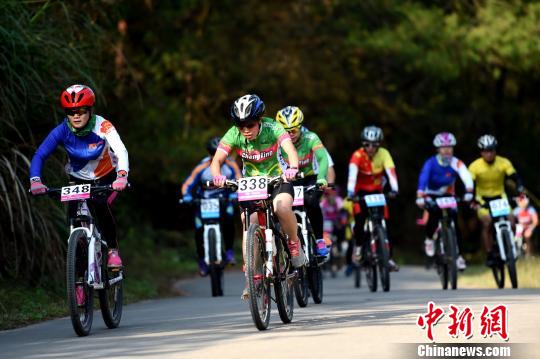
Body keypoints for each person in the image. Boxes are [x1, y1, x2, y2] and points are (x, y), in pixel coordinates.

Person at [210, 94, 305, 298]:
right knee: (248, 220)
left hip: (278, 178)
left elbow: (290, 150)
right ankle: (252, 274)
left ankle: (294, 243)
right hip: (251, 183)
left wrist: (293, 167)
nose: (245, 129)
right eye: (240, 124)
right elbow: (216, 161)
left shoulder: (273, 128)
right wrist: (217, 176)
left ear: (259, 120)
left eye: (250, 124)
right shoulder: (234, 134)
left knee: (281, 208)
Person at [29, 84, 129, 272]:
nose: (76, 116)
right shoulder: (62, 130)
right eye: (71, 111)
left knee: (100, 205)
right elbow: (40, 155)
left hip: (106, 178)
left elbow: (121, 150)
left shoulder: (103, 126)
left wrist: (122, 176)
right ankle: (79, 277)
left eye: (81, 111)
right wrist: (35, 180)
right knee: (74, 220)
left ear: (90, 110)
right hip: (78, 180)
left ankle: (113, 252)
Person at [181, 136, 241, 276]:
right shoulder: (201, 167)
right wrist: (187, 196)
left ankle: (230, 251)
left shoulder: (231, 165)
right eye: (213, 153)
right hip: (204, 201)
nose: (217, 157)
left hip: (224, 200)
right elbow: (187, 184)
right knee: (198, 230)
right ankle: (201, 260)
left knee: (229, 219)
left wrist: (235, 194)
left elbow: (239, 179)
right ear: (209, 154)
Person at [276, 106, 330, 257]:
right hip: (290, 179)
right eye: (286, 131)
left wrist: (321, 177)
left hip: (310, 178)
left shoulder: (310, 138)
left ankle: (319, 239)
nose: (290, 134)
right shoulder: (277, 141)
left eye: (293, 130)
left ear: (300, 127)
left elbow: (322, 158)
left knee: (312, 202)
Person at [416, 132, 474, 271]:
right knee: (433, 215)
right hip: (431, 194)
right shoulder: (430, 163)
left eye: (450, 147)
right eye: (443, 147)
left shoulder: (456, 162)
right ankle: (429, 239)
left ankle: (459, 256)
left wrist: (469, 191)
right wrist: (420, 195)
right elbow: (423, 178)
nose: (447, 150)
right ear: (438, 149)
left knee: (455, 222)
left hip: (448, 195)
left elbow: (466, 176)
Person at [346, 125, 400, 271]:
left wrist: (395, 189)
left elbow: (391, 172)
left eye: (374, 144)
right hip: (360, 192)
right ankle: (358, 247)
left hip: (378, 191)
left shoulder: (384, 154)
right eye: (367, 144)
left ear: (379, 144)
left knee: (385, 225)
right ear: (363, 143)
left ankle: (389, 258)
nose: (371, 147)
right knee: (359, 220)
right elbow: (352, 175)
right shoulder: (357, 155)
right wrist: (350, 192)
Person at [468, 134, 525, 266]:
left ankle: (510, 247)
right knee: (487, 223)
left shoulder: (503, 162)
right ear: (481, 152)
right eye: (486, 151)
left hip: (500, 196)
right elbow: (469, 184)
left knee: (511, 219)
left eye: (492, 150)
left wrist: (520, 187)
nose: (489, 154)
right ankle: (489, 253)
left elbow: (515, 177)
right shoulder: (475, 166)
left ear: (495, 150)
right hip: (482, 198)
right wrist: (471, 199)